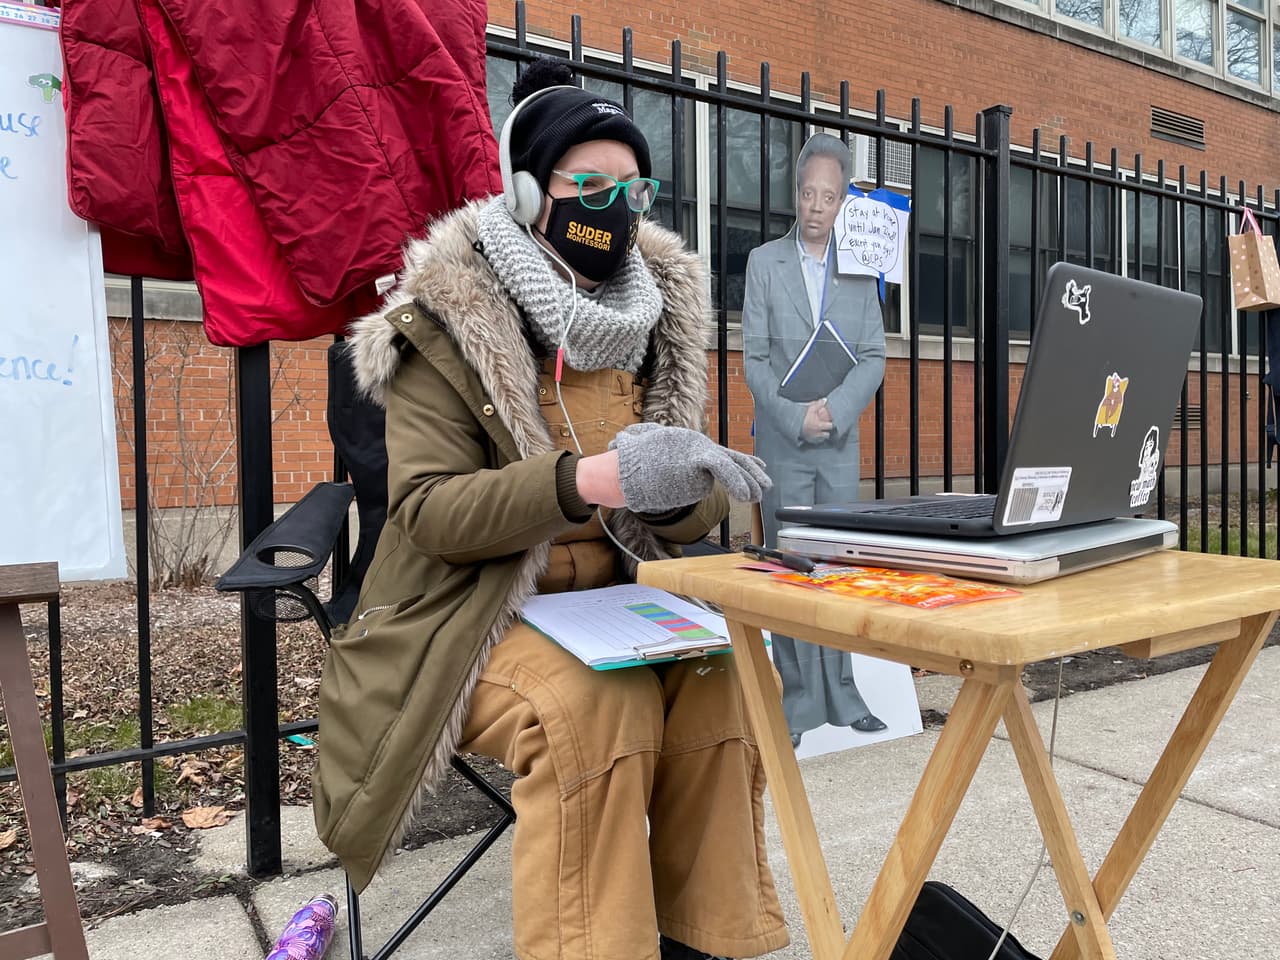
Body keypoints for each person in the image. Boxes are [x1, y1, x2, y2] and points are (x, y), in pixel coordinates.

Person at [313, 58, 789, 960]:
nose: (615, 205)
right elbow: (427, 515)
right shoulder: (448, 322)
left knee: (723, 680)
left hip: (618, 605)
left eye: (632, 187)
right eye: (591, 185)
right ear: (531, 190)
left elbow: (669, 518)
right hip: (471, 617)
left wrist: (688, 483)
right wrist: (586, 481)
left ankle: (710, 941)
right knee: (593, 710)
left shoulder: (652, 321)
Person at [742, 133, 889, 748]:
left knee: (840, 570)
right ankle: (798, 704)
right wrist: (793, 418)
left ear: (843, 200)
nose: (817, 206)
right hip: (785, 442)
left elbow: (876, 355)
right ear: (796, 194)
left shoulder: (861, 269)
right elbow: (753, 360)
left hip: (839, 444)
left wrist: (837, 409)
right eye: (808, 193)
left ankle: (845, 696)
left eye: (829, 196)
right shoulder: (762, 264)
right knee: (794, 569)